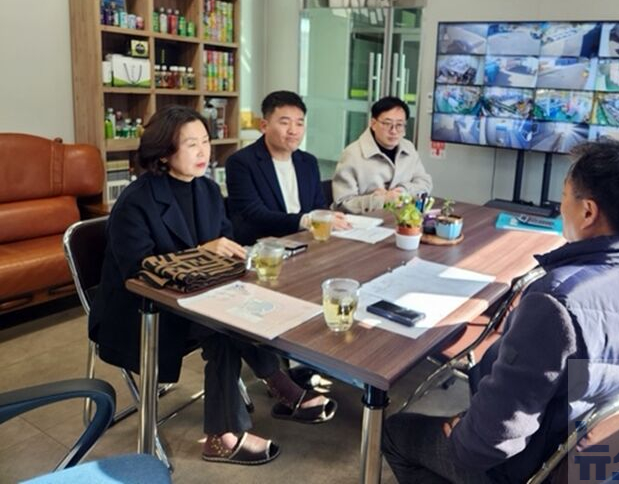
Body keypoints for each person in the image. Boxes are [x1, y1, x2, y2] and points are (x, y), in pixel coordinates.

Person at [382, 141, 619, 483]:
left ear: (588, 212)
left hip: (531, 467)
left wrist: (466, 437)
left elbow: (491, 441)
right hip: (604, 464)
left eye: (564, 196)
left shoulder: (557, 303)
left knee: (396, 434)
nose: (560, 206)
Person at [89, 106, 336, 467]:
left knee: (248, 311)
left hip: (197, 299)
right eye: (191, 144)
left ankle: (276, 389)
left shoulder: (206, 189)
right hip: (140, 313)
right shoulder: (136, 200)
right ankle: (225, 433)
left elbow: (225, 242)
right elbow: (138, 272)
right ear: (164, 152)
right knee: (222, 329)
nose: (203, 152)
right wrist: (202, 252)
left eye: (205, 141)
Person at [226, 91, 350, 245]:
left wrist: (328, 217)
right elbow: (255, 215)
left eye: (299, 123)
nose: (293, 131)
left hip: (306, 242)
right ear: (264, 126)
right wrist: (305, 221)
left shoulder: (308, 162)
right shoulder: (241, 162)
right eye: (285, 123)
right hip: (264, 248)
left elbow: (318, 206)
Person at [332, 96, 432, 214]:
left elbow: (425, 182)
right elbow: (342, 204)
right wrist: (381, 200)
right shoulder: (352, 154)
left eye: (399, 125)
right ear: (373, 124)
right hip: (367, 221)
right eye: (387, 123)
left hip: (402, 218)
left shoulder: (408, 147)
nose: (393, 131)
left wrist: (402, 192)